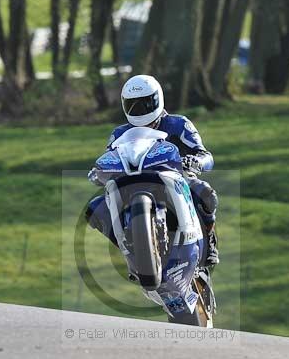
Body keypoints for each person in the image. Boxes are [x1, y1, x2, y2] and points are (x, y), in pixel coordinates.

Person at [86, 74, 220, 267]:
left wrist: (196, 161)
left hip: (175, 179)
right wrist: (99, 172)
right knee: (94, 209)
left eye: (145, 104)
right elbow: (109, 158)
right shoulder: (118, 133)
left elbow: (205, 155)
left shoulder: (179, 124)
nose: (139, 110)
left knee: (205, 193)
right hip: (132, 182)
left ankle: (210, 240)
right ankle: (131, 251)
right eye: (133, 105)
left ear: (158, 99)